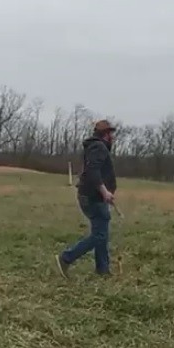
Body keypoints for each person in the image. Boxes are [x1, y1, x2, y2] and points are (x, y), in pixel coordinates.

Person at [56, 119, 118, 278]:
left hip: (91, 196)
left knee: (101, 232)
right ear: (105, 134)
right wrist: (104, 192)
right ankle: (67, 257)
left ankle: (102, 270)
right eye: (111, 133)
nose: (113, 136)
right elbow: (93, 171)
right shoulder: (99, 147)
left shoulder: (94, 146)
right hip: (94, 197)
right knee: (100, 235)